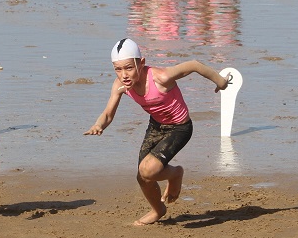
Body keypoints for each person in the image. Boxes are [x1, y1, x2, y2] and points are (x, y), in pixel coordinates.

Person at [84, 38, 229, 226]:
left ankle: (176, 173)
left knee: (148, 170)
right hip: (156, 126)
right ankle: (158, 209)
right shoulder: (120, 86)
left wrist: (221, 82)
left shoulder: (160, 77)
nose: (124, 75)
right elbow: (108, 114)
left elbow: (194, 65)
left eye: (128, 67)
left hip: (180, 128)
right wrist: (99, 125)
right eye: (118, 69)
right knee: (142, 177)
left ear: (141, 63)